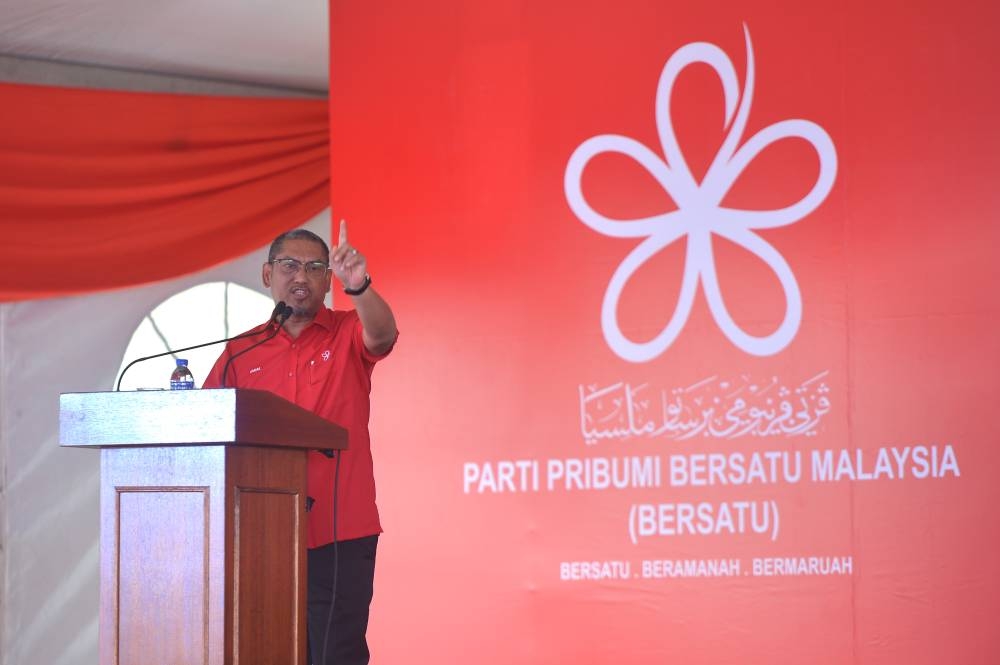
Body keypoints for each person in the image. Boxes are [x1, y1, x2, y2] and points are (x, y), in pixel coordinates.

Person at [202, 221, 398, 665]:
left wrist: (361, 286)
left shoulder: (348, 332)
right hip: (260, 534)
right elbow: (204, 430)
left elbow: (383, 335)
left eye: (314, 268)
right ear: (268, 275)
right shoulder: (240, 352)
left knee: (337, 654)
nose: (301, 277)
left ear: (328, 281)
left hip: (340, 529)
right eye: (289, 265)